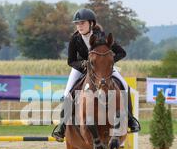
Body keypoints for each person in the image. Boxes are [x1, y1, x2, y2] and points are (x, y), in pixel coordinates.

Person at [52, 8, 140, 141]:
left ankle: (131, 119)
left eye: (82, 23)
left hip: (103, 69)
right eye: (77, 23)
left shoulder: (102, 37)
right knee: (68, 93)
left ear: (91, 23)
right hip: (81, 69)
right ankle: (62, 126)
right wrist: (83, 65)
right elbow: (70, 61)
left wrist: (106, 63)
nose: (79, 26)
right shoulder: (75, 38)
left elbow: (122, 52)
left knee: (124, 86)